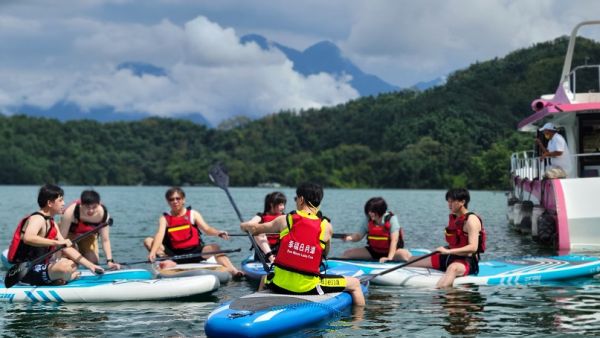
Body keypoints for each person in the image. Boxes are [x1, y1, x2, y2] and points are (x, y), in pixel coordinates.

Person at [240, 182, 365, 306]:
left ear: (301, 200)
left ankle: (257, 306)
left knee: (264, 278)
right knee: (355, 284)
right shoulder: (326, 226)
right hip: (308, 288)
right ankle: (358, 322)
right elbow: (325, 254)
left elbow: (254, 229)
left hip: (278, 284)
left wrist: (243, 225)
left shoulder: (284, 220)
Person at [7, 184, 104, 285]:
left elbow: (66, 247)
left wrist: (90, 265)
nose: (64, 203)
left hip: (41, 267)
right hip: (24, 271)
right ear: (49, 203)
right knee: (64, 268)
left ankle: (58, 278)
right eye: (60, 200)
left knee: (71, 264)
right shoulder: (37, 219)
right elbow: (28, 238)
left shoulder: (52, 222)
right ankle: (65, 278)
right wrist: (57, 242)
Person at [144, 187, 243, 278]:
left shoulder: (193, 214)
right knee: (148, 241)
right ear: (168, 202)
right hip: (174, 255)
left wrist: (218, 233)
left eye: (178, 198)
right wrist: (152, 252)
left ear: (183, 200)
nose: (175, 201)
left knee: (215, 248)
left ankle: (233, 271)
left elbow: (207, 229)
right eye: (171, 199)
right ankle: (166, 260)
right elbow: (159, 235)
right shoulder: (164, 218)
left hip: (195, 252)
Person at [408, 188, 485, 288]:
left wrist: (448, 251)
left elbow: (473, 248)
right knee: (411, 260)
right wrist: (447, 251)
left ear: (462, 202)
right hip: (449, 257)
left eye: (452, 202)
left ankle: (441, 296)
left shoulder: (471, 220)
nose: (449, 205)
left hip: (466, 261)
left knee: (452, 268)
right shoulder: (455, 218)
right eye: (448, 201)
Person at [59, 190, 121, 270]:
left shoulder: (104, 216)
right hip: (69, 234)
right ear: (81, 204)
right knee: (71, 262)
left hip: (88, 235)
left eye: (94, 207)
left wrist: (110, 261)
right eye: (87, 207)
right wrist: (56, 258)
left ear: (99, 205)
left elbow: (105, 240)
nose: (91, 211)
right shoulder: (71, 212)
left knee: (93, 261)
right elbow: (61, 240)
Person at [341, 197, 411, 263]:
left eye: (372, 211)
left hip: (392, 252)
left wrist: (389, 258)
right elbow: (359, 236)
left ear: (380, 210)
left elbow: (394, 240)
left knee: (404, 255)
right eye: (368, 211)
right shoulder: (368, 219)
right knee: (347, 253)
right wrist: (349, 238)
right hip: (374, 251)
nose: (369, 213)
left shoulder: (391, 219)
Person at [244, 191, 287, 263]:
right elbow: (250, 224)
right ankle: (271, 258)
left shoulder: (285, 217)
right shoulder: (261, 216)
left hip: (280, 250)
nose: (283, 207)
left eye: (283, 204)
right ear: (271, 204)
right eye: (280, 205)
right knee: (258, 231)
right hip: (264, 251)